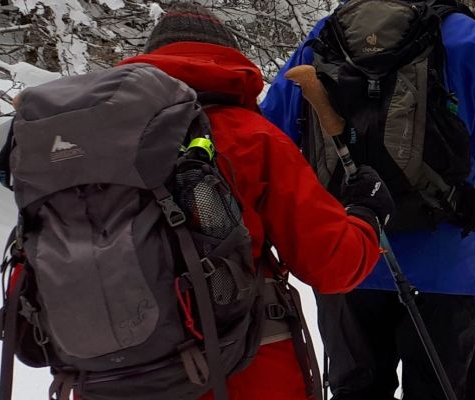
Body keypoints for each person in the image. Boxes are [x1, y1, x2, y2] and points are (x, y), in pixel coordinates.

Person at [257, 2, 475, 399]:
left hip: (345, 258)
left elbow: (267, 140)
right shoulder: (465, 39)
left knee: (357, 391)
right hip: (442, 265)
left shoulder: (325, 37)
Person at [120, 4, 392, 399]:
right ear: (228, 60)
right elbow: (330, 264)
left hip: (112, 373)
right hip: (245, 370)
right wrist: (366, 214)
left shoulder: (90, 145)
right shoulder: (250, 136)